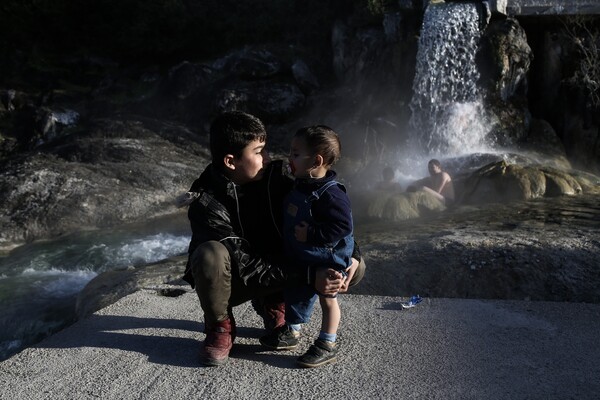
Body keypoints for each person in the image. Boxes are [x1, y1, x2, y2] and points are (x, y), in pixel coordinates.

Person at [181, 111, 365, 367]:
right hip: (237, 280)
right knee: (209, 255)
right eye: (258, 152)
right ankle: (219, 325)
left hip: (280, 265)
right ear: (231, 161)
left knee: (353, 268)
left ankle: (275, 301)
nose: (267, 159)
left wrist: (352, 255)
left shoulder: (277, 177)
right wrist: (311, 275)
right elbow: (246, 266)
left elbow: (329, 215)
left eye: (265, 150)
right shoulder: (206, 202)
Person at [259, 125, 354, 368]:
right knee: (296, 291)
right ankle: (293, 329)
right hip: (302, 256)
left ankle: (327, 342)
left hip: (327, 258)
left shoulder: (331, 194)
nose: (290, 158)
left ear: (317, 161)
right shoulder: (300, 183)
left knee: (328, 298)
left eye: (296, 154)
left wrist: (311, 233)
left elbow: (343, 226)